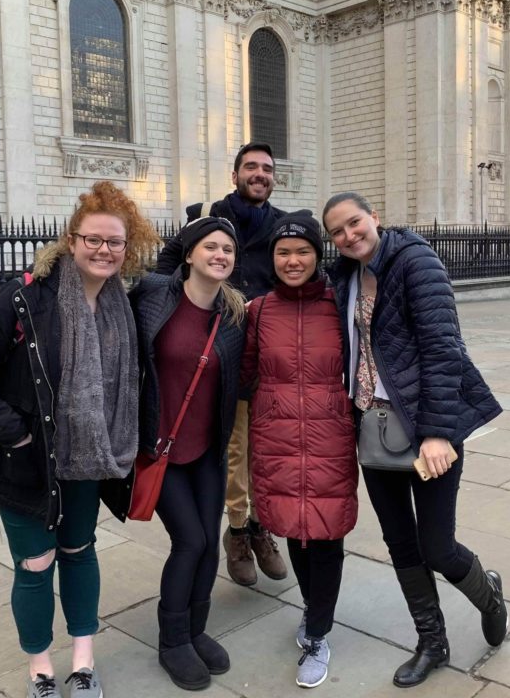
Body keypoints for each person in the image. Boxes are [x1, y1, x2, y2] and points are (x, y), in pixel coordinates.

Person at [0, 181, 161, 698]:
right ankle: (40, 669)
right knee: (36, 564)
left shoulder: (120, 307)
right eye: (93, 239)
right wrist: (16, 433)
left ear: (126, 249)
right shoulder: (25, 299)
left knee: (80, 550)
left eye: (114, 242)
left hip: (89, 459)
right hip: (25, 463)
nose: (103, 250)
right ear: (71, 239)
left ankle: (83, 663)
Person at [321, 192, 507, 689]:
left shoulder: (415, 262)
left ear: (373, 217)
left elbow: (443, 350)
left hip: (425, 427)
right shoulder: (343, 276)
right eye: (337, 231)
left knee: (438, 546)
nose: (348, 236)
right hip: (373, 428)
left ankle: (489, 593)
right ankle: (432, 641)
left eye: (354, 223)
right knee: (401, 543)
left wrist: (438, 434)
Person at [156, 142, 291, 587]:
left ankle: (261, 527)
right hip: (223, 349)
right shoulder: (210, 216)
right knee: (234, 450)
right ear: (235, 175)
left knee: (267, 450)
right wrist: (187, 307)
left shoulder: (280, 224)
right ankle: (238, 531)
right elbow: (168, 263)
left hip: (269, 356)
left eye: (267, 169)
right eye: (250, 167)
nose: (259, 174)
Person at [241, 215, 358, 689]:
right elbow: (245, 371)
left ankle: (318, 631)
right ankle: (313, 613)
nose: (293, 261)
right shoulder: (260, 311)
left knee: (327, 532)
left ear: (317, 255)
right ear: (273, 259)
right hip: (278, 436)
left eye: (302, 251)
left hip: (330, 434)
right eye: (283, 253)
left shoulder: (340, 304)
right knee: (293, 524)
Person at [132, 216, 247, 691]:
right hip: (159, 449)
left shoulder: (235, 315)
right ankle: (172, 640)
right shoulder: (153, 295)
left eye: (228, 250)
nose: (220, 255)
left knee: (209, 535)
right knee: (191, 541)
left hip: (208, 449)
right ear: (190, 254)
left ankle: (197, 630)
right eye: (211, 247)